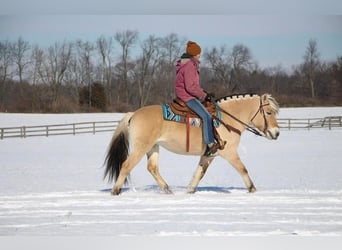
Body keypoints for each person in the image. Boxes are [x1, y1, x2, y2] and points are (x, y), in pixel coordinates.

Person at [175, 41, 222, 156]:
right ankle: (210, 144)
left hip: (186, 94)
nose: (200, 55)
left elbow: (194, 85)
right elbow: (190, 87)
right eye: (198, 53)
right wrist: (204, 96)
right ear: (194, 54)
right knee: (206, 116)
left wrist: (204, 93)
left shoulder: (187, 64)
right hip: (187, 96)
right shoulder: (190, 65)